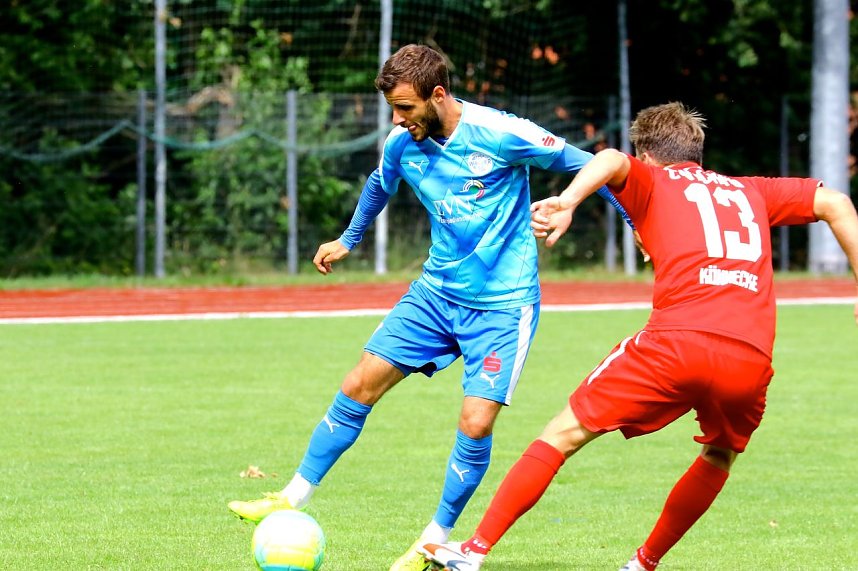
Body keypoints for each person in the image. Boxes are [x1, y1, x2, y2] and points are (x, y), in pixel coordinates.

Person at [227, 44, 634, 570]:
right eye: (392, 110)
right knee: (358, 384)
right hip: (435, 293)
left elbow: (592, 165)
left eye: (405, 108)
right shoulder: (402, 143)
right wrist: (349, 239)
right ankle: (290, 497)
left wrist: (636, 224)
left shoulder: (501, 133)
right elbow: (379, 183)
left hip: (502, 306)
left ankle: (433, 541)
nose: (397, 120)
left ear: (437, 94)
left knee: (475, 423)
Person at [421, 101, 858, 570]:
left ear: (648, 155)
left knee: (563, 433)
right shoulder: (749, 190)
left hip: (676, 344)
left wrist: (567, 202)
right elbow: (835, 202)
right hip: (749, 360)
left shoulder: (655, 179)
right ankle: (643, 564)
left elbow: (608, 160)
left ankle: (473, 550)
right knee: (720, 453)